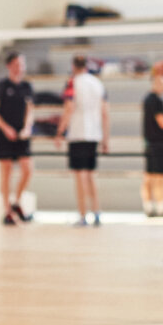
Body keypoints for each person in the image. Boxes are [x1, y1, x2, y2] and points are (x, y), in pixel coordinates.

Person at [56, 54, 108, 226]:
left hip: (78, 134)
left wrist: (60, 131)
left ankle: (83, 214)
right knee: (91, 174)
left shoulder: (72, 82)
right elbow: (105, 112)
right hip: (94, 134)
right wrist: (105, 138)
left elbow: (69, 108)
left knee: (80, 176)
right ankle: (97, 211)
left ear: (73, 66)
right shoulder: (97, 83)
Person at [0, 52, 35, 225]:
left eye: (21, 64)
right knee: (6, 172)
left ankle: (17, 202)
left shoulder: (27, 86)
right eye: (16, 64)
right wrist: (6, 128)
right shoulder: (1, 86)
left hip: (22, 135)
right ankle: (7, 210)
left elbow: (30, 110)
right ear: (9, 66)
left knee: (28, 169)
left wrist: (27, 128)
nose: (19, 68)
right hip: (4, 134)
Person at [140, 62, 163, 217]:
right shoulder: (157, 100)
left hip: (149, 143)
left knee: (149, 177)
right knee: (158, 178)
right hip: (158, 144)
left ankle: (149, 206)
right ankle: (160, 207)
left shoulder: (147, 98)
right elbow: (162, 122)